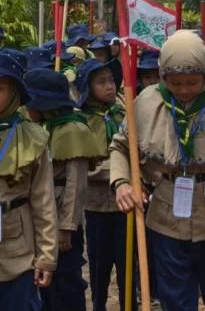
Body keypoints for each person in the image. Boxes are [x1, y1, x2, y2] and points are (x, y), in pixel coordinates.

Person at [110, 30, 205, 311]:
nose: (185, 90)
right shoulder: (146, 104)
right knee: (174, 298)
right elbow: (120, 147)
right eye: (176, 83)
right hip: (166, 217)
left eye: (192, 82)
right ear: (163, 76)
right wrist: (122, 183)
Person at [25, 68, 105, 311]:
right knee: (44, 284)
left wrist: (66, 228)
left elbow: (76, 185)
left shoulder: (73, 130)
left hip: (61, 220)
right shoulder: (44, 128)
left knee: (66, 285)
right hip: (42, 220)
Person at [0, 54, 58, 309]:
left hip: (19, 253)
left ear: (14, 92)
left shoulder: (32, 137)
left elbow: (44, 201)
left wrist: (47, 256)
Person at [76, 58, 131, 311]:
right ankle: (98, 306)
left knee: (127, 265)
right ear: (88, 87)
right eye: (101, 82)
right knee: (99, 267)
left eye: (111, 80)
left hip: (126, 206)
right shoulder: (80, 123)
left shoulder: (123, 114)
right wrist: (118, 170)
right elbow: (85, 166)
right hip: (97, 206)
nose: (110, 86)